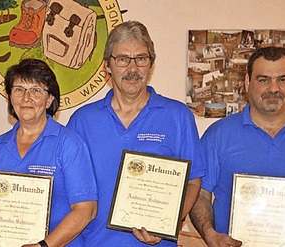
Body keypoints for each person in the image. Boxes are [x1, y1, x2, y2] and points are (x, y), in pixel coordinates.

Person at [67, 20, 205, 246]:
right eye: (122, 59)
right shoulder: (82, 121)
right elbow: (70, 193)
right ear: (107, 66)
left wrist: (168, 223)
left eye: (141, 58)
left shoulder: (178, 116)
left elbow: (193, 181)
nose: (132, 69)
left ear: (151, 64)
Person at [189, 47, 285, 247]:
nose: (274, 88)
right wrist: (209, 233)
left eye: (283, 79)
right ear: (247, 83)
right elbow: (200, 194)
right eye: (263, 79)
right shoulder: (218, 135)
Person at [0, 59, 98, 246]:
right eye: (19, 89)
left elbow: (86, 210)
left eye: (36, 90)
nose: (26, 98)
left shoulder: (69, 143)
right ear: (10, 97)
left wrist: (44, 246)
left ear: (49, 99)